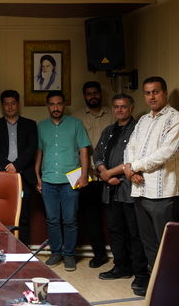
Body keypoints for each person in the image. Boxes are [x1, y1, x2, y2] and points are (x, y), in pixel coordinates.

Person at [93, 94, 149, 296]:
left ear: (131, 108)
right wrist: (104, 172)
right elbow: (97, 154)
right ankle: (121, 267)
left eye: (123, 106)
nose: (119, 110)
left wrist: (110, 173)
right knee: (115, 230)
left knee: (135, 233)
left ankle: (140, 273)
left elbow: (134, 159)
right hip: (109, 188)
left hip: (129, 188)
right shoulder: (108, 130)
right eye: (116, 106)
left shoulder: (138, 129)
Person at [124, 76, 179, 277]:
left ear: (164, 93)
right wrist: (130, 171)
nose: (151, 97)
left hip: (162, 194)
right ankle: (155, 285)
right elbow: (130, 147)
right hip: (140, 191)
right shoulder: (143, 120)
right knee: (148, 243)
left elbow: (166, 152)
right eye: (147, 93)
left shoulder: (175, 118)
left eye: (155, 92)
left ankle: (169, 286)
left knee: (167, 246)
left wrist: (134, 167)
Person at [36, 90, 90, 272]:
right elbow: (39, 152)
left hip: (70, 180)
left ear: (64, 105)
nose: (56, 107)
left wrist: (84, 175)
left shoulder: (76, 124)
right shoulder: (41, 126)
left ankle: (69, 255)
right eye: (52, 104)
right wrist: (37, 176)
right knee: (52, 220)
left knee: (70, 220)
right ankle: (56, 252)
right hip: (48, 179)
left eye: (59, 104)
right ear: (48, 106)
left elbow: (84, 150)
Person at [0, 90, 37, 244]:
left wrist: (16, 166)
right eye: (6, 104)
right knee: (0, 215)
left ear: (18, 105)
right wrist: (7, 165)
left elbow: (31, 149)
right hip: (1, 176)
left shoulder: (30, 125)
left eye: (13, 103)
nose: (10, 107)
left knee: (24, 215)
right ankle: (1, 248)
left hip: (24, 176)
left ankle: (24, 249)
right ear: (2, 106)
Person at [72, 81, 113, 268]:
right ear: (84, 96)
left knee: (114, 218)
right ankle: (99, 254)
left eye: (95, 93)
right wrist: (84, 170)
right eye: (89, 93)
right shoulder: (76, 117)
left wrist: (106, 168)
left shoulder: (112, 113)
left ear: (100, 94)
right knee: (90, 217)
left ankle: (122, 256)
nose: (93, 96)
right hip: (87, 176)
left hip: (110, 175)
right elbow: (74, 147)